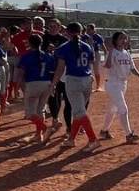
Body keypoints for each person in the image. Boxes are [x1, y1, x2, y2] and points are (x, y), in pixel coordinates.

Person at [50, 21, 98, 149]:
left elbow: (60, 69)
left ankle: (93, 139)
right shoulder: (87, 47)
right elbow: (91, 64)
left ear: (67, 32)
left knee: (80, 112)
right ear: (81, 32)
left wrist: (53, 84)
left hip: (73, 81)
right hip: (87, 80)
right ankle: (71, 139)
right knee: (78, 112)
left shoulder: (63, 48)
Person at [101, 31, 139, 143]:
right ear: (115, 40)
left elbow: (132, 68)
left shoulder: (126, 53)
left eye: (125, 38)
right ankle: (129, 135)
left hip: (122, 84)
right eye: (121, 38)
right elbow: (108, 65)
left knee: (112, 109)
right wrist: (110, 52)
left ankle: (104, 131)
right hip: (112, 83)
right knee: (123, 108)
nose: (124, 40)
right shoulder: (112, 52)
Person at [14, 33, 56, 143]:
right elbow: (52, 72)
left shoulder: (26, 56)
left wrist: (16, 87)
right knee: (40, 110)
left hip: (33, 84)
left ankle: (44, 128)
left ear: (30, 43)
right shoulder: (48, 56)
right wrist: (52, 85)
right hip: (46, 83)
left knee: (30, 114)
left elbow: (21, 73)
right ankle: (38, 135)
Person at [42, 18, 70, 134]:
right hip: (48, 71)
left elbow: (67, 55)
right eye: (51, 26)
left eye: (55, 26)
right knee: (53, 96)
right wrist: (45, 50)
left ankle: (68, 122)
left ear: (59, 27)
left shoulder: (64, 39)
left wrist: (56, 50)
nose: (52, 28)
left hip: (61, 72)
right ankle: (55, 118)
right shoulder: (43, 38)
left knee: (64, 96)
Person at [84, 24, 106, 92]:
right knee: (88, 70)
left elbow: (102, 45)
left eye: (89, 29)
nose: (87, 31)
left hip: (96, 53)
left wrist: (106, 53)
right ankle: (89, 87)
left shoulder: (97, 36)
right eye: (87, 29)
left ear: (93, 30)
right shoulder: (85, 36)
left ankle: (98, 86)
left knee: (96, 70)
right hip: (87, 53)